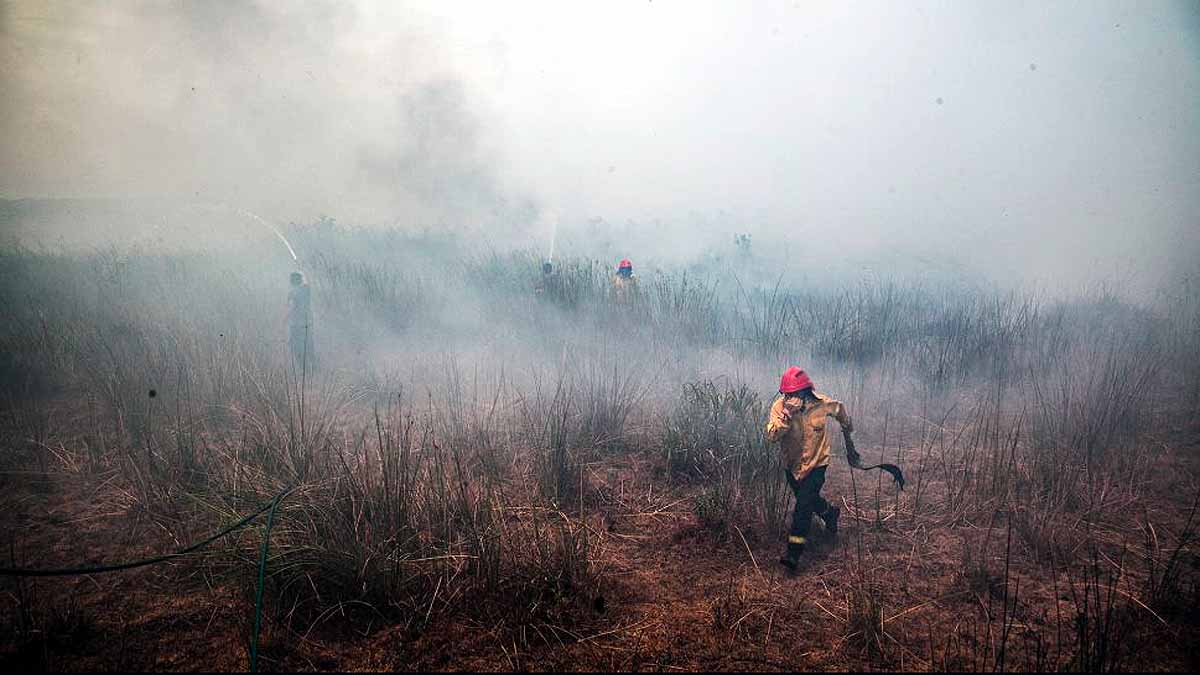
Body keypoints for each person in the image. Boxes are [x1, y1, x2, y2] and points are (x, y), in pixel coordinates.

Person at [765, 367, 857, 574]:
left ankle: (794, 554)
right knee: (809, 500)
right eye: (787, 394)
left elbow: (839, 409)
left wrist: (847, 427)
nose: (790, 398)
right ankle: (829, 513)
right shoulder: (779, 408)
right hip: (793, 466)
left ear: (806, 392)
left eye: (795, 394)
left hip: (817, 465)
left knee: (802, 509)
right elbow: (772, 436)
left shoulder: (822, 404)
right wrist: (787, 416)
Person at [285, 271, 316, 372]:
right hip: (307, 324)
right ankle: (315, 370)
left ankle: (306, 371)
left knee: (296, 349)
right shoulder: (306, 290)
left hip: (296, 326)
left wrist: (284, 319)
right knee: (309, 348)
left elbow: (291, 307)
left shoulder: (292, 293)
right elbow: (307, 282)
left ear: (291, 281)